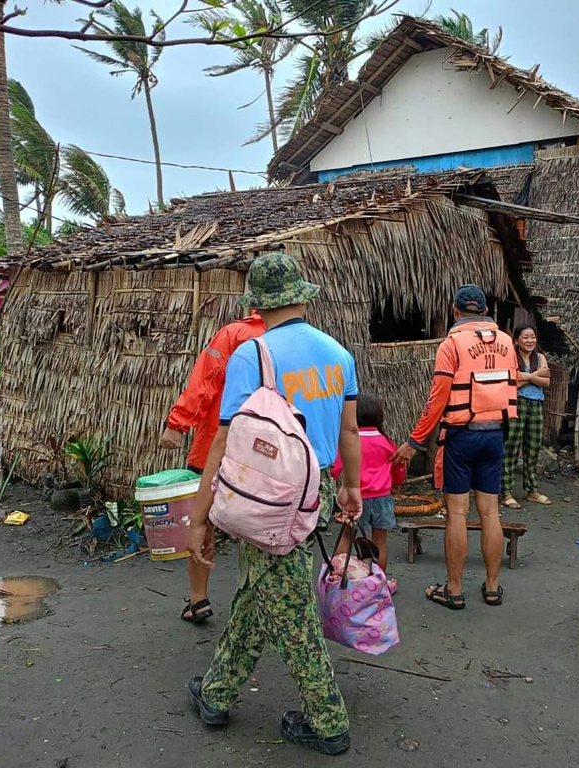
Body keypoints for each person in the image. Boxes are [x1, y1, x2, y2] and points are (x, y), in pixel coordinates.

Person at [185, 252, 363, 756]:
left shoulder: (252, 355)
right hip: (319, 489)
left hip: (268, 500)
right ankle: (216, 694)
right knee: (258, 590)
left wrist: (199, 518)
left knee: (291, 609)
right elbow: (349, 430)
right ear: (300, 296)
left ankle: (328, 721)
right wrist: (352, 488)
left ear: (259, 305)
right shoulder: (338, 353)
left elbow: (224, 442)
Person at [393, 285, 517, 610]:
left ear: (455, 311)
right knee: (490, 511)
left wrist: (414, 441)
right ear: (486, 310)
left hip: (461, 437)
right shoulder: (506, 342)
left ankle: (455, 589)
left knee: (457, 514)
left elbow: (438, 399)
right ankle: (492, 587)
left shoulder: (452, 344)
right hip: (495, 435)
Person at [160, 309, 266, 624]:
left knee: (201, 518)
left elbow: (205, 379)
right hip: (266, 451)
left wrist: (176, 424)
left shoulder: (234, 334)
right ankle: (254, 600)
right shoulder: (292, 341)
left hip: (218, 444)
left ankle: (198, 599)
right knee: (259, 522)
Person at [332, 392, 405, 594]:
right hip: (382, 498)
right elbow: (399, 469)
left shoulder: (350, 441)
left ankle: (338, 579)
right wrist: (396, 483)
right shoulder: (387, 442)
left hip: (356, 499)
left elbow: (335, 467)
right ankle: (377, 585)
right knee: (379, 540)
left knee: (347, 536)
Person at [501, 325, 552, 509]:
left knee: (533, 447)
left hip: (536, 404)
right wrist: (535, 375)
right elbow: (510, 383)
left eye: (532, 337)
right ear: (516, 340)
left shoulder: (540, 358)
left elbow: (546, 382)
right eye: (525, 337)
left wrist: (525, 376)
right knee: (512, 447)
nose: (530, 340)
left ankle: (532, 490)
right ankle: (506, 492)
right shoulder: (511, 357)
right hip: (517, 404)